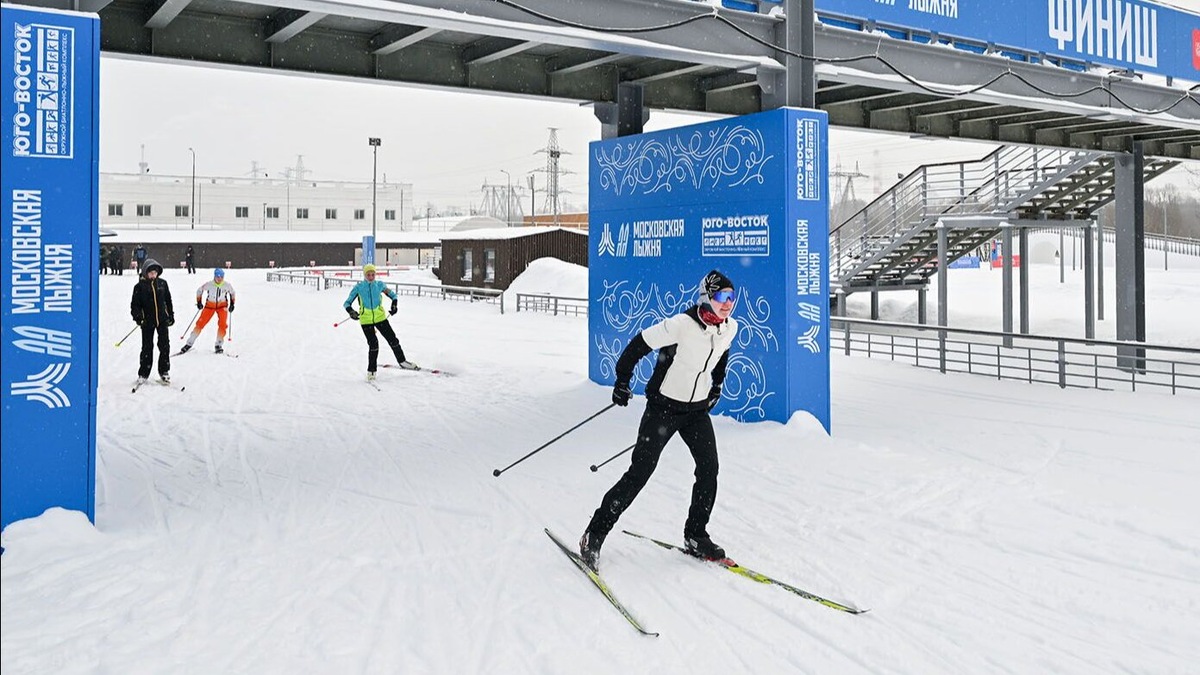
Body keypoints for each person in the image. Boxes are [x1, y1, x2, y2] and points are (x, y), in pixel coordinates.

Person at [578, 270, 739, 572]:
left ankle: (696, 535)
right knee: (640, 472)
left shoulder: (729, 328)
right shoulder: (681, 325)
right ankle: (594, 535)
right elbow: (638, 345)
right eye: (721, 296)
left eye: (731, 297)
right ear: (706, 297)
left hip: (696, 412)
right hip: (663, 409)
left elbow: (721, 356)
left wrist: (716, 387)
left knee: (709, 469)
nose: (727, 303)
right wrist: (622, 381)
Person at [343, 263, 418, 380]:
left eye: (373, 274)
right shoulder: (359, 287)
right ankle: (371, 371)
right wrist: (351, 311)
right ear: (365, 275)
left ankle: (402, 361)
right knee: (373, 344)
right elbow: (347, 303)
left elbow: (393, 296)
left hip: (380, 318)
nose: (371, 277)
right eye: (368, 274)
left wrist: (394, 306)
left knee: (393, 339)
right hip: (366, 320)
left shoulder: (380, 285)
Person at [129, 258, 175, 384]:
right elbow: (135, 305)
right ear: (145, 273)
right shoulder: (139, 287)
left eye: (155, 272)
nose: (153, 275)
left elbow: (168, 301)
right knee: (147, 348)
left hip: (162, 321)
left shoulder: (162, 284)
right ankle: (143, 373)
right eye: (151, 273)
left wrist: (170, 315)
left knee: (165, 346)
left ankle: (164, 371)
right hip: (147, 322)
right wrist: (139, 317)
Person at [181, 268, 236, 354]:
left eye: (221, 276)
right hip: (209, 306)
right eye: (218, 276)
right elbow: (199, 290)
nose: (219, 278)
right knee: (200, 323)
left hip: (222, 307)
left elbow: (232, 293)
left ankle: (218, 345)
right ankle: (189, 343)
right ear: (214, 276)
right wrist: (199, 302)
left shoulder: (227, 285)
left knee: (223, 325)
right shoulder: (209, 284)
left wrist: (232, 304)